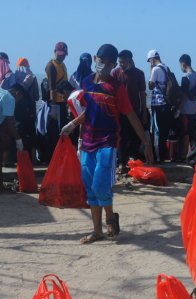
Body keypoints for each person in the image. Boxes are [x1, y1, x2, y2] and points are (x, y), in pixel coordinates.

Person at [61, 44, 154, 244]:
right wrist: (71, 125)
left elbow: (130, 114)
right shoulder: (86, 83)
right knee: (90, 187)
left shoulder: (116, 88)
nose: (102, 65)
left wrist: (145, 141)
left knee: (101, 184)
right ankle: (97, 231)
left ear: (112, 66)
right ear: (96, 58)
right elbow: (85, 111)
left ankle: (110, 217)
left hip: (108, 142)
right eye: (101, 60)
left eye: (108, 63)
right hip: (87, 140)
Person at [112, 49, 148, 167]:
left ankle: (134, 160)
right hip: (120, 111)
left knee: (135, 137)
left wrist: (144, 111)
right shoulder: (115, 73)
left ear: (129, 61)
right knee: (122, 137)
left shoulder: (139, 74)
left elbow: (142, 93)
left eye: (123, 62)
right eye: (119, 62)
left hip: (135, 110)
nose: (121, 64)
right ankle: (122, 162)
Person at [147, 49, 174, 163]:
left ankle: (158, 157)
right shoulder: (166, 67)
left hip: (158, 104)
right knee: (164, 131)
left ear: (152, 59)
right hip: (166, 103)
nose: (149, 63)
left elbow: (150, 86)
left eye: (149, 61)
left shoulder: (156, 69)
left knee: (157, 130)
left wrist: (151, 70)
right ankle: (162, 156)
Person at [45, 41, 71, 154]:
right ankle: (55, 154)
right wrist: (53, 106)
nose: (61, 55)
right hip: (55, 103)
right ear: (54, 52)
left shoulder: (63, 65)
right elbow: (52, 87)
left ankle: (62, 152)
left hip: (63, 102)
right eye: (59, 53)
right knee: (56, 130)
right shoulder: (51, 66)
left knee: (63, 128)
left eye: (63, 54)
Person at [13, 57, 40, 163]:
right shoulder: (32, 77)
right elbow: (37, 96)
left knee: (19, 132)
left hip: (17, 109)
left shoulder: (14, 77)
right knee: (31, 132)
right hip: (30, 109)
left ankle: (19, 158)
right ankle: (32, 158)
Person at [177, 54, 196, 156]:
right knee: (193, 135)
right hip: (195, 110)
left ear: (183, 63)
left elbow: (183, 95)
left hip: (185, 111)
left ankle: (184, 156)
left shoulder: (185, 77)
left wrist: (178, 109)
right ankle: (194, 155)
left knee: (185, 134)